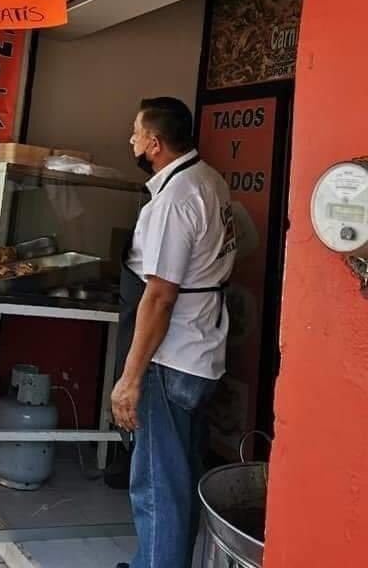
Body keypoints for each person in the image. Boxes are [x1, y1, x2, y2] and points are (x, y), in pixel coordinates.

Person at [111, 97, 238, 568]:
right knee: (178, 475)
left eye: (135, 132)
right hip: (202, 346)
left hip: (173, 356)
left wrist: (129, 378)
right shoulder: (210, 180)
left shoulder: (176, 199)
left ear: (155, 143)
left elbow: (160, 296)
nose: (131, 140)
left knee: (157, 485)